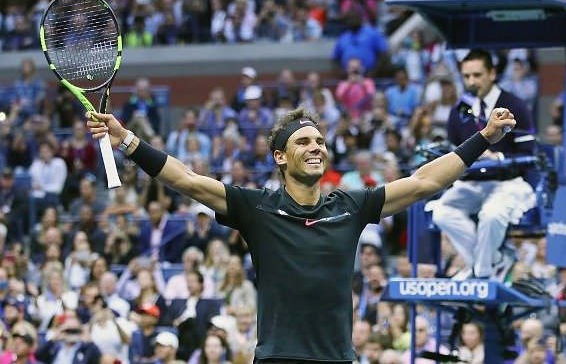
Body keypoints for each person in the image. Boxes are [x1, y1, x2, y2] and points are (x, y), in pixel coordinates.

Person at [87, 94, 515, 362]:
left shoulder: (352, 204)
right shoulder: (255, 207)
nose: (316, 148)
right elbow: (185, 179)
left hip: (337, 359)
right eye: (303, 142)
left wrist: (483, 137)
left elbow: (426, 181)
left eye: (320, 142)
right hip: (278, 358)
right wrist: (127, 140)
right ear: (279, 157)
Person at [431, 49, 536, 281]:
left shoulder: (515, 105)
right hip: (471, 183)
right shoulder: (458, 111)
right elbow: (452, 152)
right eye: (467, 76)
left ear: (492, 73)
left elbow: (529, 153)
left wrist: (497, 158)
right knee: (441, 212)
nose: (471, 82)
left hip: (506, 183)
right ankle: (496, 261)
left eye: (477, 75)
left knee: (491, 215)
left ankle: (481, 275)